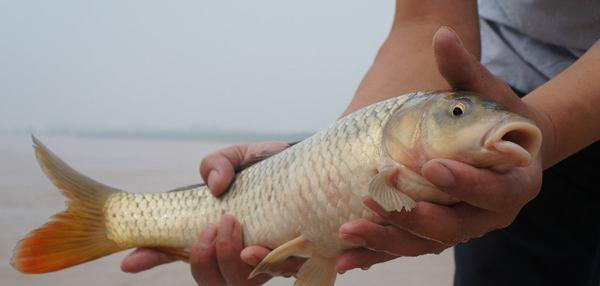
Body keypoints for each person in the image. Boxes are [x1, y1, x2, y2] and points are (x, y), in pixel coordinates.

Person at [121, 1, 600, 285]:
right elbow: (426, 20)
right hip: (505, 98)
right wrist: (312, 169)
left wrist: (549, 129)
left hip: (510, 117)